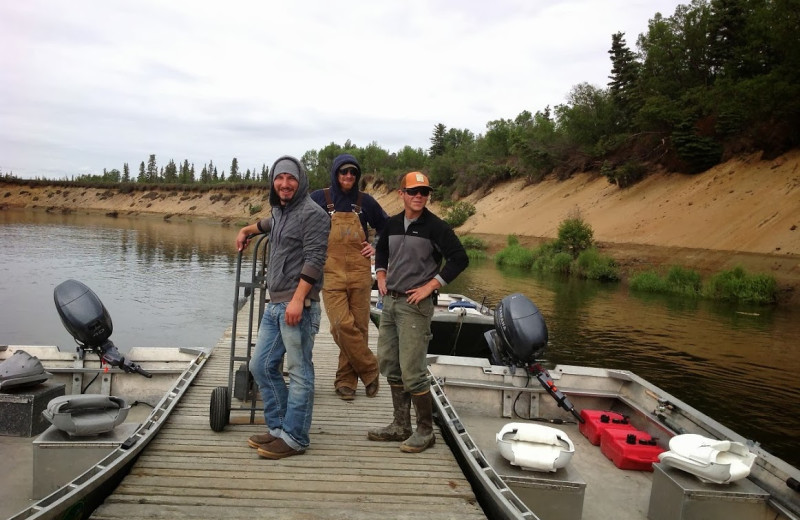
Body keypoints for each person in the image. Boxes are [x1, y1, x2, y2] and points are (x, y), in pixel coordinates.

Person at [235, 155, 330, 459]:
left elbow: (315, 259)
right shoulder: (280, 211)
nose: (285, 184)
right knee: (260, 366)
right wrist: (247, 230)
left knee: (299, 372)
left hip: (296, 304)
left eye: (291, 178)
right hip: (275, 303)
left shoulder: (313, 214)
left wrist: (299, 299)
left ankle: (296, 438)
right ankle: (278, 429)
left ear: (300, 180)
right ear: (273, 182)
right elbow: (268, 223)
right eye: (280, 178)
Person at [367, 171, 469, 453]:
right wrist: (381, 275)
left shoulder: (437, 227)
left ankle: (425, 431)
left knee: (413, 371)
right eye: (412, 192)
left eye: (423, 192)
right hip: (390, 303)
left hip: (415, 306)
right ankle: (401, 425)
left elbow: (460, 258)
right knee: (389, 363)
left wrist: (431, 286)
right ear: (401, 194)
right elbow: (382, 249)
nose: (418, 197)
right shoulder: (391, 224)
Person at [310, 154, 388, 401]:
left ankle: (346, 381)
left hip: (360, 272)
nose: (348, 176)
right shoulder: (319, 199)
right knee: (341, 325)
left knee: (360, 327)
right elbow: (300, 222)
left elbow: (388, 228)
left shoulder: (366, 202)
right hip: (330, 272)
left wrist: (376, 246)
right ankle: (370, 368)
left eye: (353, 173)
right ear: (335, 173)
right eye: (343, 172)